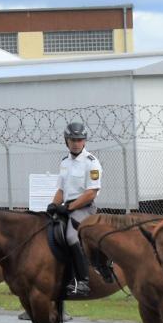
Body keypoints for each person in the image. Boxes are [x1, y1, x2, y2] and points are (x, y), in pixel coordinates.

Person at [46, 122, 101, 297]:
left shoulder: (91, 162)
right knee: (47, 230)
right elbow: (61, 190)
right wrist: (53, 205)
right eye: (72, 140)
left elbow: (91, 192)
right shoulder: (64, 162)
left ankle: (83, 281)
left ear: (84, 141)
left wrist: (68, 208)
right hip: (67, 207)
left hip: (84, 208)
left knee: (71, 236)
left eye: (79, 139)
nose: (76, 143)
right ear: (66, 141)